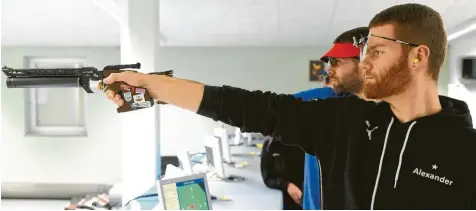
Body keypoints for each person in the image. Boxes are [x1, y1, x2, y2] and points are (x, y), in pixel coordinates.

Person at [101, 3, 476, 209]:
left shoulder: (466, 151)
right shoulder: (343, 120)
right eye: (362, 54)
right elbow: (250, 107)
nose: (364, 65)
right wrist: (153, 85)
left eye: (376, 52)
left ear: (418, 57)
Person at [297, 26, 369, 210]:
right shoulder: (320, 99)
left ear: (364, 61)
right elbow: (263, 107)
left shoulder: (391, 113)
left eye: (336, 62)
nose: (329, 70)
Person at [260, 137, 305, 210]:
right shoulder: (270, 146)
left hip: (309, 196)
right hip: (285, 198)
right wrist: (287, 185)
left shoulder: (306, 145)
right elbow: (268, 178)